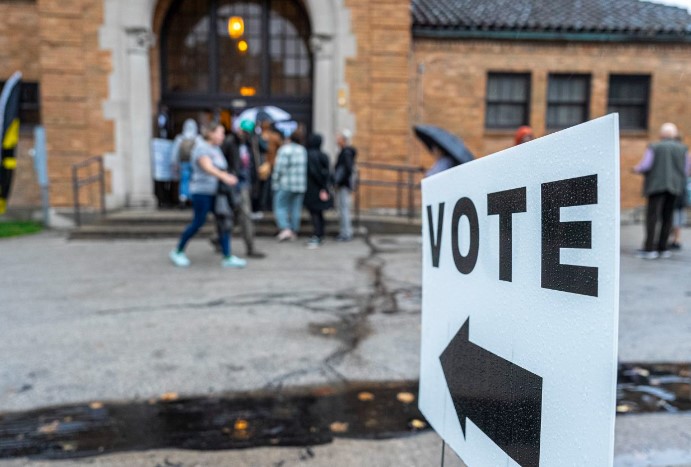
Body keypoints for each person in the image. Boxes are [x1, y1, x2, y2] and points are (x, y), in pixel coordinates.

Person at [169, 121, 247, 268]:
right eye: (220, 132)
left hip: (217, 192)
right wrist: (224, 176)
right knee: (198, 222)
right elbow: (207, 167)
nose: (223, 136)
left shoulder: (216, 148)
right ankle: (178, 251)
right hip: (202, 192)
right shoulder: (201, 148)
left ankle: (227, 256)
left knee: (223, 222)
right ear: (210, 133)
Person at [633, 122, 689, 259]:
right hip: (675, 187)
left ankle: (650, 249)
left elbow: (645, 165)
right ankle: (663, 248)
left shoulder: (654, 147)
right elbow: (687, 169)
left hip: (656, 186)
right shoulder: (683, 149)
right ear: (674, 134)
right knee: (668, 217)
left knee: (652, 217)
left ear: (661, 134)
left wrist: (636, 169)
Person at [217, 120, 265, 258]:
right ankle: (218, 238)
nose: (244, 134)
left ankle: (250, 247)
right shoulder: (229, 142)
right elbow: (221, 161)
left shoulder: (251, 143)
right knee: (231, 215)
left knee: (244, 216)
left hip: (245, 185)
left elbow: (260, 153)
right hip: (232, 183)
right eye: (243, 131)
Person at [272, 126, 307, 241]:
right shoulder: (303, 150)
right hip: (300, 185)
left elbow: (279, 168)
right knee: (296, 208)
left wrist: (275, 181)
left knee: (280, 206)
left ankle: (285, 228)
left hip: (286, 184)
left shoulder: (285, 150)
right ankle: (294, 230)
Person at [303, 133, 333, 248]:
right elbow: (327, 172)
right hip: (322, 187)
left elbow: (314, 172)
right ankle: (320, 233)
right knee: (319, 212)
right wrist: (325, 186)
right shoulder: (324, 155)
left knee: (314, 212)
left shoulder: (309, 155)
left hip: (312, 188)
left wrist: (320, 184)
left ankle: (317, 235)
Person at [334, 129, 357, 241]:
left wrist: (339, 181)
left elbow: (348, 169)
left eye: (339, 138)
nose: (337, 140)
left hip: (344, 185)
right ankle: (345, 232)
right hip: (344, 184)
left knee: (344, 209)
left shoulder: (346, 152)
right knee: (343, 209)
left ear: (344, 140)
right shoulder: (345, 152)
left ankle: (346, 233)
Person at [171, 118, 200, 207]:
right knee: (193, 180)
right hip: (195, 163)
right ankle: (192, 198)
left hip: (183, 162)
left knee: (184, 180)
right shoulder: (197, 138)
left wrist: (174, 162)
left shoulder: (180, 138)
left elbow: (174, 152)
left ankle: (183, 197)